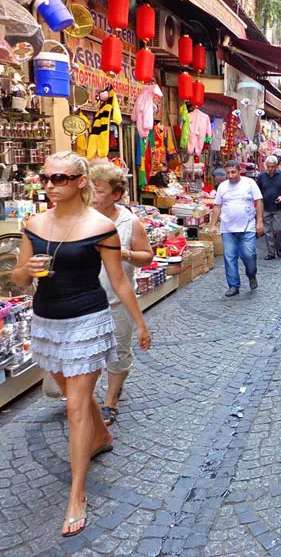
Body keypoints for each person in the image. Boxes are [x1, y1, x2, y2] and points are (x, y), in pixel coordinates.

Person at [12, 151, 151, 537]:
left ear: (80, 182)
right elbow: (20, 280)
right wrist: (27, 269)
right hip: (47, 322)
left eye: (59, 178)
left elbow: (119, 280)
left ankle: (77, 495)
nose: (50, 185)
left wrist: (140, 324)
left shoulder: (100, 226)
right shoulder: (33, 223)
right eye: (45, 178)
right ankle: (102, 436)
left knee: (75, 407)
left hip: (87, 321)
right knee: (74, 391)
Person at [90, 164, 154, 426]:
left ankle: (110, 400)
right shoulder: (81, 218)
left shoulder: (130, 222)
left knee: (118, 354)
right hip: (84, 303)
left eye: (98, 190)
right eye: (90, 189)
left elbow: (147, 257)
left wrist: (124, 253)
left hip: (117, 300)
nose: (92, 195)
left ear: (115, 194)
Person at [211, 160, 264, 297]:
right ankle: (233, 285)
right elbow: (217, 206)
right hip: (227, 228)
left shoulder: (249, 183)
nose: (230, 176)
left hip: (247, 227)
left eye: (233, 172)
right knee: (229, 258)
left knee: (249, 255)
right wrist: (212, 224)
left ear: (239, 170)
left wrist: (259, 222)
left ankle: (251, 274)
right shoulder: (222, 186)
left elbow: (258, 202)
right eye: (228, 173)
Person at [257, 155, 281, 260]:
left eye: (272, 166)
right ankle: (271, 252)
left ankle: (278, 246)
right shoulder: (261, 176)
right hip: (265, 207)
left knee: (278, 229)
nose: (270, 169)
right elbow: (257, 192)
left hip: (278, 207)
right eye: (269, 166)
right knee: (268, 231)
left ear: (276, 166)